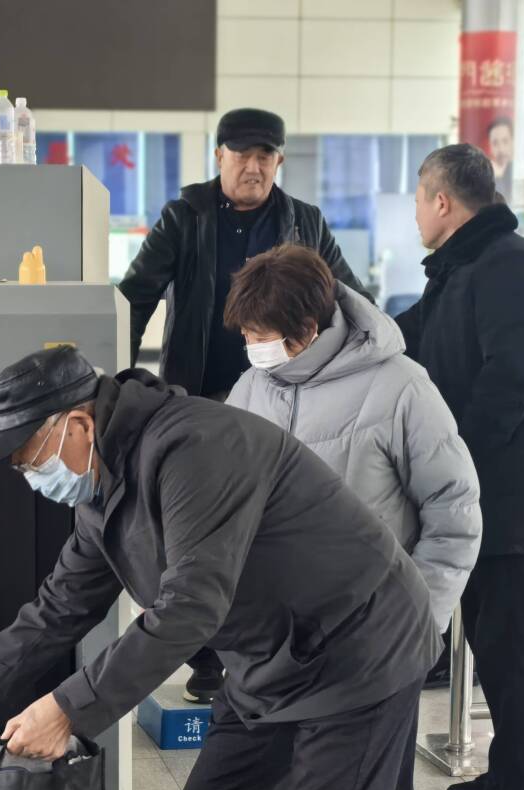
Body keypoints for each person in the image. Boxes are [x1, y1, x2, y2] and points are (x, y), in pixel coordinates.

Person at [0, 345, 440, 790]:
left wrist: (65, 710)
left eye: (29, 458)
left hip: (358, 647)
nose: (30, 476)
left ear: (79, 425)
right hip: (270, 658)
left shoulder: (195, 448)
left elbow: (189, 608)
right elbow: (62, 603)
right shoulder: (103, 489)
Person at [118, 107, 366, 703]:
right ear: (219, 157)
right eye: (242, 155)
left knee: (268, 531)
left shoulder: (304, 222)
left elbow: (350, 297)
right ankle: (206, 659)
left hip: (282, 397)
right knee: (193, 536)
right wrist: (120, 380)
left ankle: (266, 656)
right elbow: (136, 296)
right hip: (200, 400)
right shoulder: (185, 216)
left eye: (265, 157)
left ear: (279, 162)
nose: (253, 167)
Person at [396, 144, 524, 790]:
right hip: (477, 497)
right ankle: (514, 771)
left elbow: (513, 378)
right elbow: (405, 339)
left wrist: (455, 464)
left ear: (442, 201)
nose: (416, 213)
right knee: (496, 647)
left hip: (511, 498)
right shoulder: (461, 269)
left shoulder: (511, 266)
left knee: (518, 648)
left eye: (418, 199)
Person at [224, 243, 482, 631]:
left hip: (372, 628)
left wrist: (417, 622)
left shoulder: (400, 387)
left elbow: (453, 509)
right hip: (273, 631)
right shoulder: (250, 388)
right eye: (246, 335)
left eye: (261, 337)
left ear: (307, 329)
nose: (251, 348)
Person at [486, 117, 513, 194]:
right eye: (495, 143)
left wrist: (498, 178)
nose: (501, 149)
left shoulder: (519, 169)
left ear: (512, 141)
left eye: (505, 141)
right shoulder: (486, 173)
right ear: (490, 145)